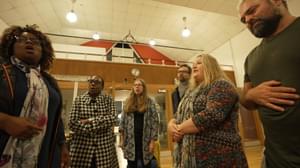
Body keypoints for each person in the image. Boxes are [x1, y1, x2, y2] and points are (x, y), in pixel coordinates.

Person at [238, 0, 300, 167]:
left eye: (252, 10)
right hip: (274, 158)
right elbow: (245, 101)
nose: (248, 20)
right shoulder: (251, 58)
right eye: (244, 19)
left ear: (277, 1)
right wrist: (251, 94)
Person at [0, 25, 70, 167]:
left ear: (43, 51)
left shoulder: (49, 82)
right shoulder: (2, 72)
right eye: (22, 39)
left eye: (35, 41)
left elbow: (57, 117)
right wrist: (5, 121)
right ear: (11, 46)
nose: (29, 42)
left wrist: (62, 145)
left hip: (44, 156)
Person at [168, 54, 248, 167]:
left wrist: (179, 130)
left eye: (199, 63)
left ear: (211, 66)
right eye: (194, 64)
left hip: (219, 156)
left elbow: (211, 115)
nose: (195, 66)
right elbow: (178, 115)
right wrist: (171, 124)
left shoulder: (221, 85)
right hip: (193, 157)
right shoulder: (190, 92)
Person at [69, 75, 118, 168]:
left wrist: (90, 121)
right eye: (91, 81)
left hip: (104, 149)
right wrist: (101, 123)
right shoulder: (79, 100)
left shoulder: (108, 100)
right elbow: (72, 123)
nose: (93, 84)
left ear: (102, 86)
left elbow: (113, 118)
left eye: (97, 82)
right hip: (82, 148)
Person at [119, 78, 159, 168]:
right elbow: (122, 122)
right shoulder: (127, 102)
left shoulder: (150, 102)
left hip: (145, 140)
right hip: (130, 141)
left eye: (139, 85)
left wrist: (152, 142)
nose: (137, 87)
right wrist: (122, 140)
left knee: (146, 164)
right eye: (135, 85)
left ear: (143, 87)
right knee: (131, 164)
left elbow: (155, 123)